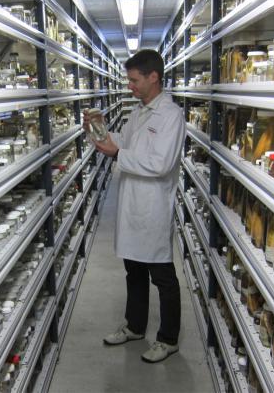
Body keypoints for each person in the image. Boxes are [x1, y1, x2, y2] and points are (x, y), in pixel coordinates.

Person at [86, 49, 186, 363]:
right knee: (134, 271)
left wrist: (116, 153)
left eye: (134, 80)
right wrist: (98, 128)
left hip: (153, 207)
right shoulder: (139, 111)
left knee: (163, 276)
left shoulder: (170, 115)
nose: (130, 86)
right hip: (132, 205)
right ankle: (135, 327)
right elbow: (122, 142)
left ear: (153, 77)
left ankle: (168, 339)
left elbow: (160, 163)